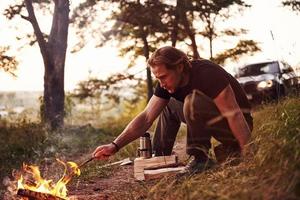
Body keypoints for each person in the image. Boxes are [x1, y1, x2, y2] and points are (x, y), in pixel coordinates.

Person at [93, 46, 253, 172]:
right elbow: (147, 116)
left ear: (180, 67)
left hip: (235, 127)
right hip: (212, 119)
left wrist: (249, 155)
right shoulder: (167, 84)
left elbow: (235, 115)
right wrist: (115, 145)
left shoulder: (207, 74)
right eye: (157, 78)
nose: (161, 83)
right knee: (167, 104)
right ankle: (160, 157)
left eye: (163, 77)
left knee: (193, 99)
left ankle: (200, 159)